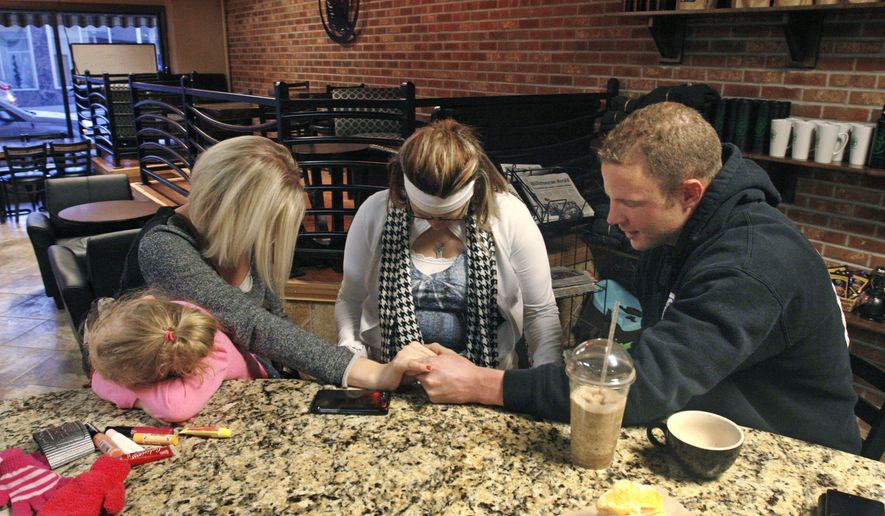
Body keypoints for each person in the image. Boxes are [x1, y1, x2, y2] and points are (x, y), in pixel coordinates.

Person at [413, 102, 862, 454]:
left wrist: (480, 382)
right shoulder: (672, 233)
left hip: (794, 459)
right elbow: (648, 354)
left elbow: (644, 385)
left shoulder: (751, 262)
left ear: (690, 193)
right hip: (708, 423)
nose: (613, 218)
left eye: (630, 202)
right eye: (611, 198)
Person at [120, 135, 432, 391]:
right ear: (230, 210)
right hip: (178, 396)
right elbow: (251, 324)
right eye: (266, 225)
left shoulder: (236, 236)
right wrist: (371, 374)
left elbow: (274, 318)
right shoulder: (163, 248)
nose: (268, 239)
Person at [335, 119, 562, 370]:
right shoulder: (376, 212)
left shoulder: (509, 216)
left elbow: (540, 312)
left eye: (450, 215)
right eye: (423, 213)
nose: (435, 224)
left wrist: (546, 374)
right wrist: (353, 353)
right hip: (391, 370)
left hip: (485, 375)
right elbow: (350, 298)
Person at [86, 292, 268, 422]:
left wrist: (139, 398)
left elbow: (175, 409)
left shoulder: (213, 357)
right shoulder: (171, 319)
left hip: (254, 397)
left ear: (158, 374)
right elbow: (97, 380)